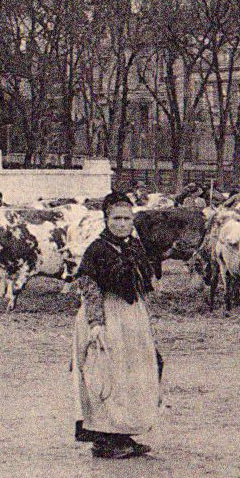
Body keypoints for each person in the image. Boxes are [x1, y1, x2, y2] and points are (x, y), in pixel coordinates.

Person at [72, 193, 163, 459]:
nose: (122, 224)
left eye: (127, 219)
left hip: (132, 317)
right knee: (106, 373)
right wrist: (96, 324)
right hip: (106, 315)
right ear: (106, 219)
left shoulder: (134, 246)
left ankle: (123, 433)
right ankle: (104, 439)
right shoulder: (97, 250)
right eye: (116, 219)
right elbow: (89, 288)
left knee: (132, 374)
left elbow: (143, 284)